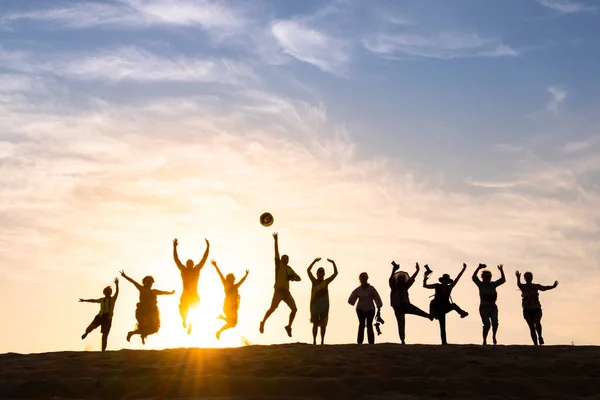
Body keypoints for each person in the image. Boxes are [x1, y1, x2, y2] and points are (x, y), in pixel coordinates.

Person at [259, 232, 301, 337]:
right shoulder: (279, 265)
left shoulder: (289, 269)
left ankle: (288, 326)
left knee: (294, 309)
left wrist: (292, 278)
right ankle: (263, 322)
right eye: (284, 258)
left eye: (287, 259)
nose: (286, 260)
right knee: (272, 308)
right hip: (278, 291)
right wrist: (276, 240)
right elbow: (276, 252)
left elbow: (299, 278)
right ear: (282, 259)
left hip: (286, 292)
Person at [120, 270, 175, 345]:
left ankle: (143, 335)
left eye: (151, 282)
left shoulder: (154, 291)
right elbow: (133, 282)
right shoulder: (142, 289)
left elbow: (163, 292)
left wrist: (171, 293)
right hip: (143, 312)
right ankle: (132, 333)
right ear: (144, 282)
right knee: (143, 327)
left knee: (154, 328)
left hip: (153, 312)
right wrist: (124, 275)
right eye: (148, 282)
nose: (149, 283)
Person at [423, 263, 469, 345]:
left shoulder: (449, 287)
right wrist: (425, 278)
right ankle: (431, 315)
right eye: (444, 280)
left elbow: (457, 278)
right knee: (433, 305)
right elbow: (425, 286)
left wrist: (463, 269)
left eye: (446, 280)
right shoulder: (437, 286)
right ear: (442, 281)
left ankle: (462, 313)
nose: (445, 282)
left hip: (444, 307)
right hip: (437, 307)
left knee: (444, 323)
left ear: (448, 282)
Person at [173, 238, 210, 334]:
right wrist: (174, 248)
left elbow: (204, 259)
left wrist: (208, 247)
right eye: (189, 264)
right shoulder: (187, 270)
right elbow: (176, 259)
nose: (190, 265)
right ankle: (186, 321)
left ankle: (189, 323)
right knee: (185, 310)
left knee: (190, 310)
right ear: (188, 264)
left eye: (190, 263)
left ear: (192, 264)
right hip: (189, 294)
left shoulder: (193, 270)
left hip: (192, 295)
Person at [389, 262, 432, 344]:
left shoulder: (405, 286)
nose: (401, 280)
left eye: (402, 279)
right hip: (397, 306)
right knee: (401, 323)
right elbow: (391, 279)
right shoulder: (394, 287)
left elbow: (411, 279)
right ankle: (402, 340)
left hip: (405, 304)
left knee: (416, 310)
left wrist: (417, 271)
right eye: (399, 279)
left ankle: (428, 316)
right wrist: (393, 270)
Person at [516, 270, 558, 345]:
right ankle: (535, 344)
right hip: (527, 309)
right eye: (527, 277)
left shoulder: (535, 286)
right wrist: (518, 278)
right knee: (531, 327)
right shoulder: (523, 287)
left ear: (532, 278)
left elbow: (544, 288)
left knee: (537, 322)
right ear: (525, 278)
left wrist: (553, 286)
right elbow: (519, 284)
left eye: (530, 277)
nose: (529, 278)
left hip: (536, 308)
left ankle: (540, 336)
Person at [211, 260, 249, 339]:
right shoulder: (226, 284)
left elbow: (241, 281)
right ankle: (219, 329)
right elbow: (220, 275)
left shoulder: (235, 286)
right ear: (229, 279)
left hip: (234, 307)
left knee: (233, 324)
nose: (234, 279)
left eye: (234, 278)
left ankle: (219, 328)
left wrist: (246, 275)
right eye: (232, 278)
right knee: (232, 322)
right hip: (228, 306)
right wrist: (215, 266)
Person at [79, 278, 119, 351]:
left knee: (105, 335)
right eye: (106, 292)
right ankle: (86, 333)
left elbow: (117, 293)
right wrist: (84, 300)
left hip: (107, 319)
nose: (107, 293)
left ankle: (103, 350)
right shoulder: (102, 300)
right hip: (100, 317)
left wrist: (117, 284)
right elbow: (93, 300)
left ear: (110, 293)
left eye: (109, 292)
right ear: (104, 293)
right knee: (89, 328)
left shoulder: (113, 299)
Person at [307, 257, 338, 345]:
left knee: (323, 325)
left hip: (324, 305)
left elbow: (335, 273)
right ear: (317, 274)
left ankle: (322, 341)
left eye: (322, 272)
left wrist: (333, 263)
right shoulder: (314, 281)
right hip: (315, 305)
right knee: (315, 323)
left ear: (324, 274)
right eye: (319, 272)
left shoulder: (326, 282)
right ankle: (314, 341)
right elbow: (308, 271)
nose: (320, 273)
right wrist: (314, 261)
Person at [472, 263, 506, 345]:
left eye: (490, 276)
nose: (489, 278)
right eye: (487, 276)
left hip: (493, 307)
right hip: (484, 307)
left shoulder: (493, 284)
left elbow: (503, 280)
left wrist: (501, 270)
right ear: (483, 277)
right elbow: (474, 277)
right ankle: (484, 340)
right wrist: (478, 268)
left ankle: (494, 336)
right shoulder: (481, 285)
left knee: (495, 323)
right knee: (487, 324)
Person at [348, 272, 383, 344]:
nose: (363, 279)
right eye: (362, 278)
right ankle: (359, 343)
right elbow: (351, 300)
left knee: (369, 325)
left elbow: (377, 299)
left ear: (367, 278)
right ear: (360, 279)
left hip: (371, 309)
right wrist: (352, 301)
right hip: (360, 309)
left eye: (364, 277)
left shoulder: (371, 288)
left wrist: (379, 309)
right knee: (361, 325)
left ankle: (371, 343)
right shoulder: (358, 289)